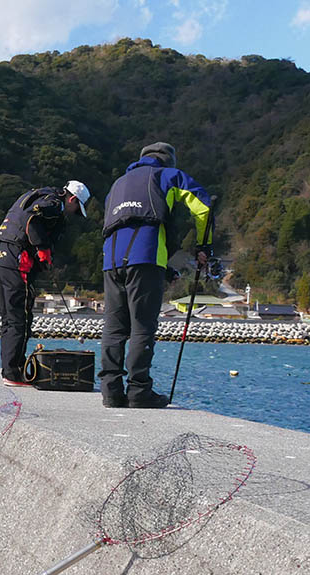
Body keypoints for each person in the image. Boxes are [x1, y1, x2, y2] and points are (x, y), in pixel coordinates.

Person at [100, 142, 213, 408]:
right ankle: (139, 391)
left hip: (111, 260)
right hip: (147, 257)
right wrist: (204, 245)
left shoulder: (117, 184)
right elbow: (203, 206)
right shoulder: (167, 176)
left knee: (114, 327)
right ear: (168, 160)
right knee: (142, 325)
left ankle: (111, 392)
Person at [0, 180, 91, 386]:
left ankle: (10, 370)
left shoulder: (37, 194)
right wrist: (43, 248)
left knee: (9, 319)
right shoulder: (54, 204)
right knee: (20, 319)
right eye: (76, 208)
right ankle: (13, 373)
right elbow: (31, 219)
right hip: (17, 263)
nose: (73, 213)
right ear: (72, 199)